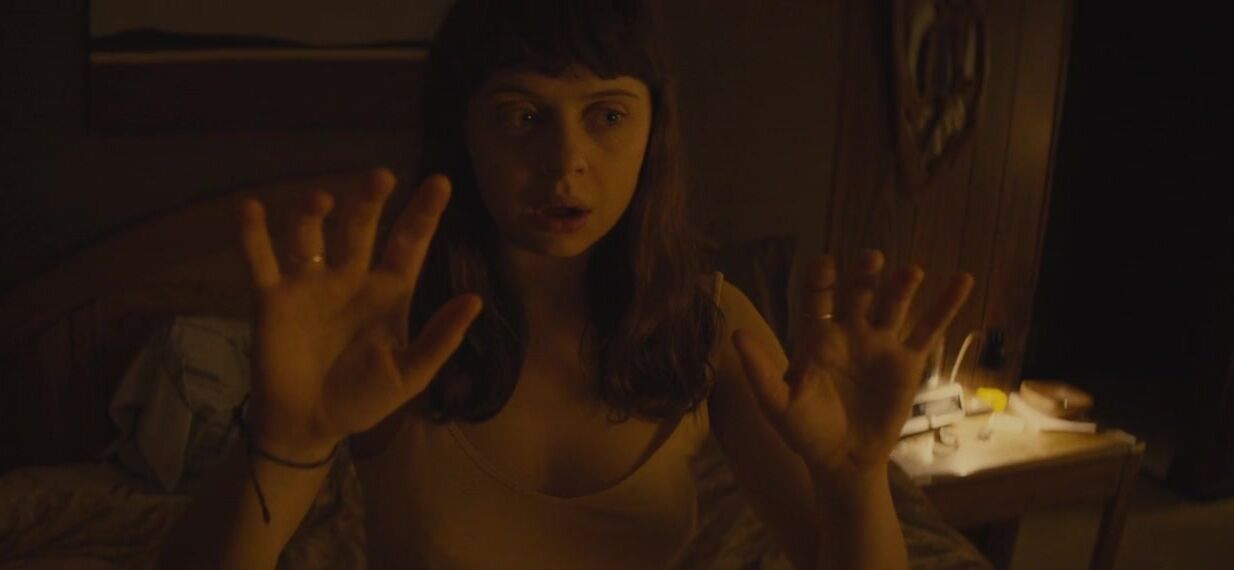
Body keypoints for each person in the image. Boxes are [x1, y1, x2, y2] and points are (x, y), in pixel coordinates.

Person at [159, 1, 973, 568]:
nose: (566, 163)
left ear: (653, 132)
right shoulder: (387, 329)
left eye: (607, 115)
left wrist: (855, 477)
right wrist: (285, 442)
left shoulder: (705, 323)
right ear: (463, 131)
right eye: (522, 115)